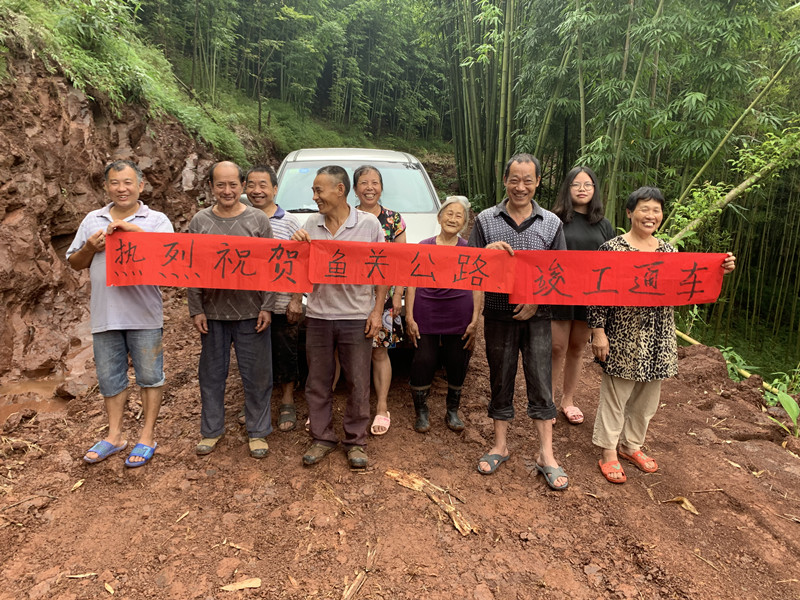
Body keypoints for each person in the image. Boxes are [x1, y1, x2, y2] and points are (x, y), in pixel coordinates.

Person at [589, 187, 736, 484]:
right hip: (624, 333)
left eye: (656, 210)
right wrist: (598, 332)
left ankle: (631, 445)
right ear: (629, 212)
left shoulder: (669, 251)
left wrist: (718, 269)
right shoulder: (612, 249)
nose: (651, 215)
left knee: (647, 398)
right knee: (617, 394)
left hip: (659, 333)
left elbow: (686, 284)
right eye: (644, 209)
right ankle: (608, 451)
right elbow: (597, 294)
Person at [469, 153, 568, 490]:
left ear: (538, 182)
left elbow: (560, 271)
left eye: (528, 180)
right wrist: (486, 255)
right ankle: (500, 445)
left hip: (539, 316)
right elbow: (470, 266)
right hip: (498, 314)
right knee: (500, 376)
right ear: (505, 180)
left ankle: (546, 454)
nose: (520, 187)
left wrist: (537, 297)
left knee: (541, 380)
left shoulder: (552, 223)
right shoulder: (485, 220)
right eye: (514, 179)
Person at [67, 159, 173, 468]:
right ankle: (114, 436)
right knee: (110, 378)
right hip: (105, 314)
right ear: (106, 186)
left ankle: (147, 437)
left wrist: (133, 231)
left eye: (128, 182)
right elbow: (75, 262)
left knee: (150, 377)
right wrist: (90, 247)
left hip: (144, 313)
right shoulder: (92, 219)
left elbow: (169, 259)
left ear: (141, 185)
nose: (121, 188)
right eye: (115, 182)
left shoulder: (156, 220)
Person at [288, 165, 388, 469]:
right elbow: (301, 266)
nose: (315, 197)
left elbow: (382, 269)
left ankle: (356, 441)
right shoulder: (311, 224)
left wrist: (377, 311)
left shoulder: (368, 224)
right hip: (319, 314)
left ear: (340, 190)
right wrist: (297, 247)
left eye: (319, 190)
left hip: (356, 316)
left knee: (357, 381)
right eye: (314, 191)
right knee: (317, 381)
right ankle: (322, 437)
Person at [188, 161, 275, 459]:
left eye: (233, 185)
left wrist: (268, 306)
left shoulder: (258, 220)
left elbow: (270, 266)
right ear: (211, 187)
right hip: (212, 313)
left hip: (252, 312)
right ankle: (211, 430)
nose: (227, 191)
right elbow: (192, 268)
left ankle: (258, 432)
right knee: (211, 375)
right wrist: (196, 309)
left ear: (242, 186)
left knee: (257, 375)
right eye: (220, 185)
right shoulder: (200, 221)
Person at [406, 196, 483, 433]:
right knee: (424, 359)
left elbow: (477, 285)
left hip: (459, 310)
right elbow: (411, 283)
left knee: (457, 359)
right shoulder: (424, 245)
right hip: (426, 308)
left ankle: (452, 410)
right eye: (449, 214)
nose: (453, 219)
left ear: (464, 223)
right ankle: (421, 410)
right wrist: (409, 316)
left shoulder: (469, 249)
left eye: (459, 216)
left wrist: (475, 319)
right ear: (439, 218)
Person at [550, 167, 615, 425]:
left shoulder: (603, 225)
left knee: (577, 348)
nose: (582, 189)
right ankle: (548, 401)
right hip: (559, 292)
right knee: (556, 348)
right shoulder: (554, 219)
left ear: (594, 189)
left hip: (589, 295)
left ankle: (568, 400)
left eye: (588, 185)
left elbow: (614, 263)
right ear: (567, 188)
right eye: (576, 184)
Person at [243, 165, 301, 432]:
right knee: (253, 357)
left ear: (275, 189)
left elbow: (301, 262)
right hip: (247, 304)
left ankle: (287, 400)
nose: (257, 191)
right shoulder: (239, 219)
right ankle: (256, 403)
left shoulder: (289, 222)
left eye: (263, 185)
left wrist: (296, 299)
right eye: (251, 185)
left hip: (280, 303)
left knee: (285, 352)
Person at [352, 164, 405, 436]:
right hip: (350, 296)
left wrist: (398, 294)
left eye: (374, 182)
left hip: (382, 297)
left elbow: (401, 261)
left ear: (381, 188)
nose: (369, 188)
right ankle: (345, 405)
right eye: (363, 182)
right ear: (354, 188)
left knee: (379, 351)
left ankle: (382, 406)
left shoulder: (394, 220)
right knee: (342, 352)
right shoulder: (346, 216)